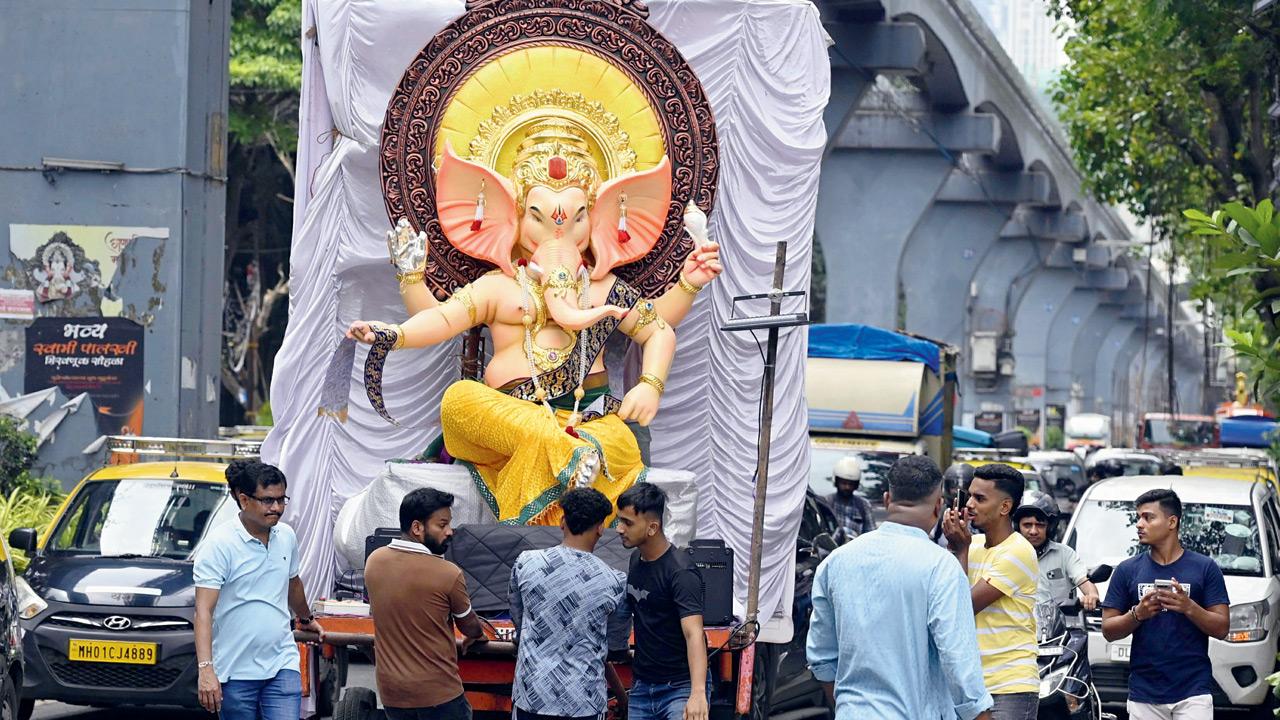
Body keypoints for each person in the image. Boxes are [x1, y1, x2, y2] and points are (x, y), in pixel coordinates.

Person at [807, 455, 993, 720]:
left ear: (886, 499)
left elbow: (822, 659)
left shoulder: (835, 562)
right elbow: (958, 659)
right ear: (938, 506)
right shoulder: (941, 567)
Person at [194, 460, 324, 719]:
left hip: (282, 664)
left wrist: (306, 619)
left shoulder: (286, 536)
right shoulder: (219, 545)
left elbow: (292, 582)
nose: (276, 508)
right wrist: (206, 670)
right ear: (244, 500)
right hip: (235, 672)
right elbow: (203, 612)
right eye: (267, 500)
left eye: (281, 499)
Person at [1100, 489, 1229, 720]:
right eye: (1138, 517)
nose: (1139, 524)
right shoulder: (1127, 570)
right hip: (1144, 692)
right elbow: (1108, 630)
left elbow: (1222, 628)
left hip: (1194, 691)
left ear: (1172, 522)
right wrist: (1137, 614)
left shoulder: (1205, 567)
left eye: (1148, 517)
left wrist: (1188, 606)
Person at [364, 488, 486, 720]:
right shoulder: (448, 573)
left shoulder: (374, 562)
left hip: (393, 696)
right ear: (417, 528)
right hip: (439, 695)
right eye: (442, 525)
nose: (450, 532)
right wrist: (477, 634)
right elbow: (471, 628)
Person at [509, 487, 628, 720]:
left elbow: (519, 619)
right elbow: (615, 646)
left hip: (532, 696)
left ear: (562, 522)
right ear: (600, 528)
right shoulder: (615, 581)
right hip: (584, 702)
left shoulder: (526, 563)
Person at [943, 464, 1039, 720]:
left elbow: (961, 607)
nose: (970, 505)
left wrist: (959, 550)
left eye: (980, 498)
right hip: (970, 686)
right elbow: (941, 599)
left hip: (1008, 687)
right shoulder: (971, 543)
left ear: (1005, 507)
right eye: (969, 495)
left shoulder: (1018, 551)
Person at [614, 483, 709, 720]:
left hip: (680, 688)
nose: (619, 529)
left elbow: (694, 634)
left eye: (628, 522)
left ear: (652, 528)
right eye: (619, 520)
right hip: (643, 687)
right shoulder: (636, 559)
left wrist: (697, 693)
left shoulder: (681, 572)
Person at [1013, 493, 1100, 609]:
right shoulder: (1007, 555)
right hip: (1018, 625)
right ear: (1018, 527)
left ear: (1050, 527)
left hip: (1060, 625)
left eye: (1040, 525)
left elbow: (1082, 579)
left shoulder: (1065, 554)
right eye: (1027, 525)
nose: (1033, 531)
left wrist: (1092, 595)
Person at [823, 457, 876, 541]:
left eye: (851, 484)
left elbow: (871, 535)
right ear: (836, 482)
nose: (847, 487)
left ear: (856, 485)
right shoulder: (826, 503)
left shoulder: (864, 505)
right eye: (843, 483)